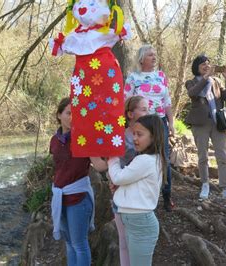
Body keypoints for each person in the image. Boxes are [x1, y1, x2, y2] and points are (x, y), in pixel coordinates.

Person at [50, 97, 108, 266]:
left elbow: (99, 165)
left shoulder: (83, 138)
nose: (72, 117)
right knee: (69, 244)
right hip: (60, 198)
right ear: (59, 115)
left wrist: (116, 156)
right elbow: (59, 168)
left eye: (76, 114)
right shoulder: (54, 140)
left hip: (78, 198)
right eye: (68, 113)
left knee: (79, 244)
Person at [108, 114, 167, 266]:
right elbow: (129, 182)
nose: (135, 138)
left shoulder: (145, 160)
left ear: (153, 137)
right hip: (134, 221)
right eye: (133, 133)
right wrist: (120, 189)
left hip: (141, 224)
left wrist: (112, 157)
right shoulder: (148, 159)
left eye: (139, 134)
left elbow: (118, 177)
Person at [185, 54, 226, 203]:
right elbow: (193, 93)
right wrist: (206, 78)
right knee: (203, 156)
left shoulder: (216, 81)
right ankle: (205, 184)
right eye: (203, 64)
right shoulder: (191, 82)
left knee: (222, 155)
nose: (206, 66)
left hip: (217, 122)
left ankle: (225, 188)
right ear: (196, 67)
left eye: (208, 64)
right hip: (200, 124)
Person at [124, 44, 175, 212]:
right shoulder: (133, 77)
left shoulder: (161, 76)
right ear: (141, 59)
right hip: (142, 123)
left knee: (163, 158)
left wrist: (171, 123)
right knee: (140, 156)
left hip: (160, 122)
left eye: (155, 55)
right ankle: (141, 195)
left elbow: (167, 102)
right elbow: (126, 102)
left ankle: (166, 196)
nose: (154, 57)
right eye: (150, 55)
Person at [110, 95, 150, 266]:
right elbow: (113, 164)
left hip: (139, 198)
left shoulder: (150, 137)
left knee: (138, 243)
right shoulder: (119, 137)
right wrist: (113, 181)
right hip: (119, 193)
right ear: (130, 114)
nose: (147, 112)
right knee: (123, 241)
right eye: (143, 109)